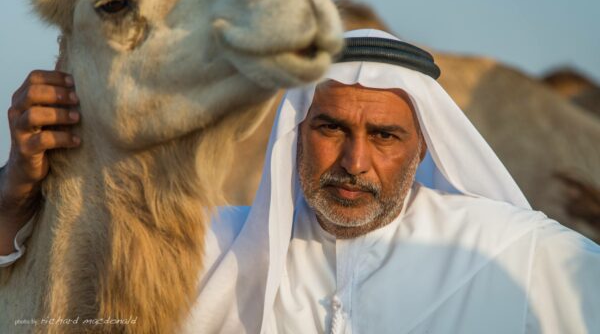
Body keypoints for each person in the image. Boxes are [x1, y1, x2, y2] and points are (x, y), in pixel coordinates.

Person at [1, 29, 599, 333]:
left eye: (385, 137)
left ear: (423, 148)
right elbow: (40, 293)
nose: (354, 161)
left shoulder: (514, 253)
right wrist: (16, 185)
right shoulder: (209, 249)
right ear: (297, 132)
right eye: (331, 128)